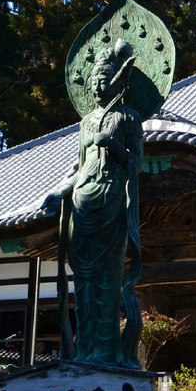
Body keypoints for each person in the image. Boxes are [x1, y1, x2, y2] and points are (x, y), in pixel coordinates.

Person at [45, 39, 144, 368]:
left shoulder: (129, 119)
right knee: (83, 283)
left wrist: (113, 146)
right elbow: (79, 165)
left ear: (117, 82)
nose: (99, 86)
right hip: (82, 200)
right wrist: (60, 190)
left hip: (112, 196)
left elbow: (135, 165)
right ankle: (85, 351)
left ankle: (107, 353)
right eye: (94, 81)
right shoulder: (84, 122)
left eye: (105, 80)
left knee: (108, 279)